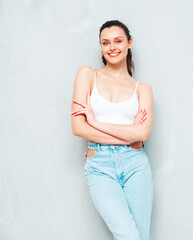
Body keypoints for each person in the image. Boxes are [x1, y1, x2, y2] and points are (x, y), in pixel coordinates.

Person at [71, 20, 154, 240]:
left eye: (118, 41)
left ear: (129, 43)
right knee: (129, 236)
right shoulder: (87, 75)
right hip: (100, 166)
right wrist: (129, 134)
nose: (112, 47)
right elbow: (78, 127)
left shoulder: (143, 90)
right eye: (105, 43)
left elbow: (143, 134)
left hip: (136, 165)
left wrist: (96, 123)